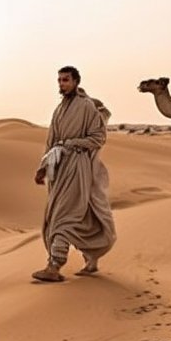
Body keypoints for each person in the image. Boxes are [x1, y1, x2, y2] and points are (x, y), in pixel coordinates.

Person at [32, 66, 116, 282]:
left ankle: (54, 265)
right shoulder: (59, 110)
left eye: (66, 80)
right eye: (59, 80)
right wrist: (42, 167)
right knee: (81, 215)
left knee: (63, 216)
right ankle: (92, 258)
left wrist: (72, 144)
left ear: (76, 81)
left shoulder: (86, 106)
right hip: (59, 169)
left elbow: (98, 137)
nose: (62, 84)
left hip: (78, 166)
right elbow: (51, 141)